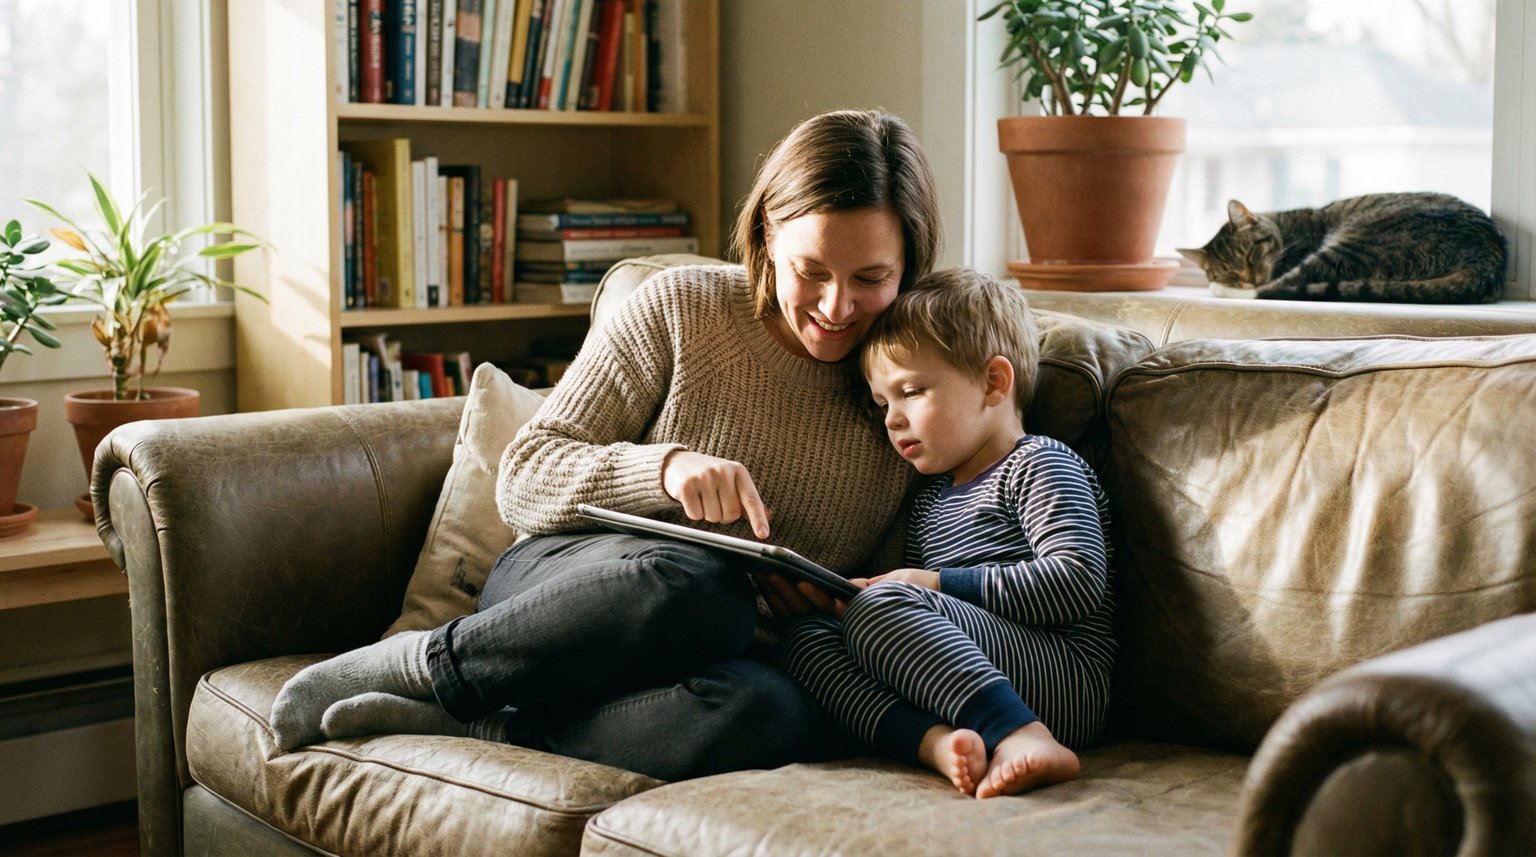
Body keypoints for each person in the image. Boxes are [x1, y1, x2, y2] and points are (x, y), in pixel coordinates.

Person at [267, 108, 942, 780]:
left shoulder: (919, 394)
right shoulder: (683, 307)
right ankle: (425, 664)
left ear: (910, 265)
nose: (836, 306)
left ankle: (493, 725)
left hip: (718, 658)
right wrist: (665, 470)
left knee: (777, 711)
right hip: (571, 595)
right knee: (702, 588)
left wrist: (836, 603)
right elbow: (524, 476)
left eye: (870, 279)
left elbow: (901, 588)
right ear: (768, 233)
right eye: (812, 270)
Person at [782, 268, 1115, 799]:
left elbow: (1075, 582)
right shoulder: (928, 499)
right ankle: (937, 744)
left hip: (1062, 682)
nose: (892, 419)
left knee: (886, 604)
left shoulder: (1040, 464)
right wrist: (843, 599)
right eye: (882, 403)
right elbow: (912, 616)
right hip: (957, 681)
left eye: (911, 391)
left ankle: (1022, 734)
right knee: (806, 639)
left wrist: (931, 585)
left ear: (993, 383)